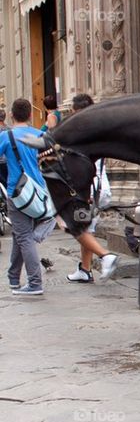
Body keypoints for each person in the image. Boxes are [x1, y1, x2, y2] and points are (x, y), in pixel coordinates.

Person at [63, 94, 119, 284]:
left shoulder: (82, 133)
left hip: (87, 190)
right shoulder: (98, 129)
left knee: (75, 227)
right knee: (87, 228)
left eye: (73, 112)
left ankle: (105, 256)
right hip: (99, 188)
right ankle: (85, 270)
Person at [0, 98, 50, 295]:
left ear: (12, 115)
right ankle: (13, 277)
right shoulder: (40, 134)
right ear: (30, 115)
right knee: (20, 235)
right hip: (38, 191)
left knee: (23, 236)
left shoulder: (7, 136)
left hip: (17, 192)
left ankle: (35, 283)